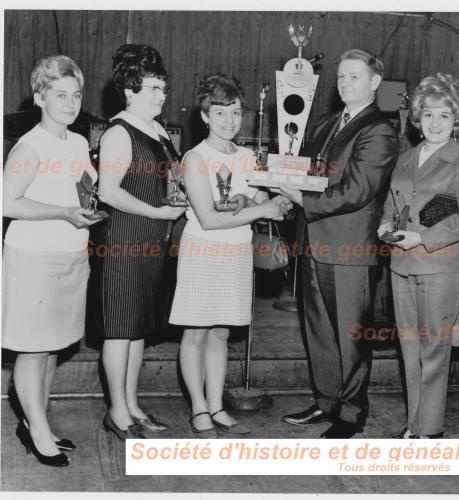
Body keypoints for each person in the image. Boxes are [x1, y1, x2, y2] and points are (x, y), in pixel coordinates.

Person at [276, 49, 399, 438]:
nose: (345, 84)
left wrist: (301, 200)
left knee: (350, 333)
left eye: (355, 78)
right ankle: (326, 400)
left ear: (374, 83)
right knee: (320, 329)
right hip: (313, 241)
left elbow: (358, 189)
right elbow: (307, 171)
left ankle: (351, 411)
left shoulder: (380, 129)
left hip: (350, 248)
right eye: (341, 77)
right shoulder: (327, 123)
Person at [169, 74, 291, 438]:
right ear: (205, 116)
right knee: (195, 332)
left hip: (236, 251)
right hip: (203, 250)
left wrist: (278, 200)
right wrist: (261, 211)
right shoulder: (194, 158)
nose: (230, 121)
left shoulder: (247, 157)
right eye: (220, 113)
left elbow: (257, 201)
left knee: (221, 333)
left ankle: (217, 404)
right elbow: (207, 218)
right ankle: (198, 407)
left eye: (236, 112)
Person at [3, 55, 99, 466]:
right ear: (40, 98)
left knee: (54, 346)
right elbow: (7, 201)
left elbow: (82, 191)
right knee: (33, 349)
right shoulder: (29, 146)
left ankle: (35, 421)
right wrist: (62, 212)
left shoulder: (78, 142)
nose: (70, 103)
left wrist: (88, 207)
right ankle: (38, 431)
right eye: (60, 95)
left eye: (75, 95)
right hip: (35, 256)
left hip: (72, 254)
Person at [377, 73, 459, 438]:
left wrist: (422, 236)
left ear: (456, 119)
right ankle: (414, 425)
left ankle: (430, 431)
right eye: (428, 115)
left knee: (434, 350)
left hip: (441, 266)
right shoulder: (406, 157)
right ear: (417, 118)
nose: (435, 123)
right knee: (409, 348)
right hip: (402, 264)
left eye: (444, 115)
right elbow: (394, 203)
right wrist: (385, 224)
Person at [89, 44, 186, 440]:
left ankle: (131, 404)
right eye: (152, 89)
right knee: (118, 329)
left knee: (137, 329)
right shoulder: (118, 131)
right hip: (124, 242)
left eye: (163, 88)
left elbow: (171, 181)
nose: (161, 96)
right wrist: (159, 212)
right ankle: (116, 411)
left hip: (152, 243)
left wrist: (179, 200)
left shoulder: (159, 131)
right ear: (130, 91)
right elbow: (109, 192)